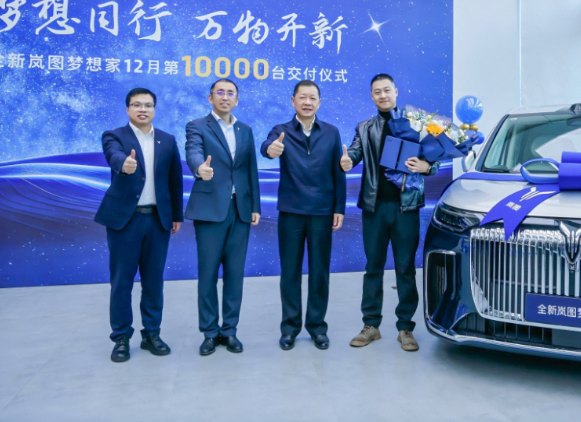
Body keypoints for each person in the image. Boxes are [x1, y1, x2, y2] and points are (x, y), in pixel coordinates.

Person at [340, 74, 439, 352]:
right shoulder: (364, 127)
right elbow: (354, 153)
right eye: (377, 92)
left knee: (405, 269)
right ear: (372, 96)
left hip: (406, 208)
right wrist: (347, 161)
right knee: (373, 267)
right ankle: (371, 325)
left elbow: (437, 155)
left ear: (396, 91)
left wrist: (427, 168)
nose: (382, 95)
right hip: (374, 208)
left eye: (386, 90)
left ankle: (405, 328)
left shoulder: (417, 123)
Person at [94, 87, 184, 363]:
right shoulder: (114, 136)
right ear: (128, 109)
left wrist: (176, 215)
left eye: (148, 105)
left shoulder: (167, 140)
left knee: (154, 281)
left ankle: (151, 334)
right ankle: (121, 337)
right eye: (136, 105)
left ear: (154, 109)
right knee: (122, 282)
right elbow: (113, 155)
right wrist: (124, 164)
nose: (142, 109)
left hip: (158, 220)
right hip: (125, 221)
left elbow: (175, 180)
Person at [260, 80, 346, 351]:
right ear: (293, 101)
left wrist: (339, 208)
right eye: (302, 97)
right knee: (290, 272)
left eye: (312, 98)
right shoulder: (282, 130)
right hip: (291, 212)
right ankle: (289, 328)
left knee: (320, 272)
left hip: (322, 211)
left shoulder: (331, 132)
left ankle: (317, 327)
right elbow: (267, 146)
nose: (307, 102)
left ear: (319, 102)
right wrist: (270, 150)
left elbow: (339, 172)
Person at [185, 79, 261, 356]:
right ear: (210, 98)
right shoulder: (197, 125)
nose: (225, 97)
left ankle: (229, 331)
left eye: (231, 93)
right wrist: (199, 168)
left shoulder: (245, 130)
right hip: (209, 210)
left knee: (235, 274)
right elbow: (193, 151)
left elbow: (250, 169)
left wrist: (255, 206)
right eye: (220, 92)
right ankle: (209, 332)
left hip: (239, 210)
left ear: (237, 100)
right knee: (208, 274)